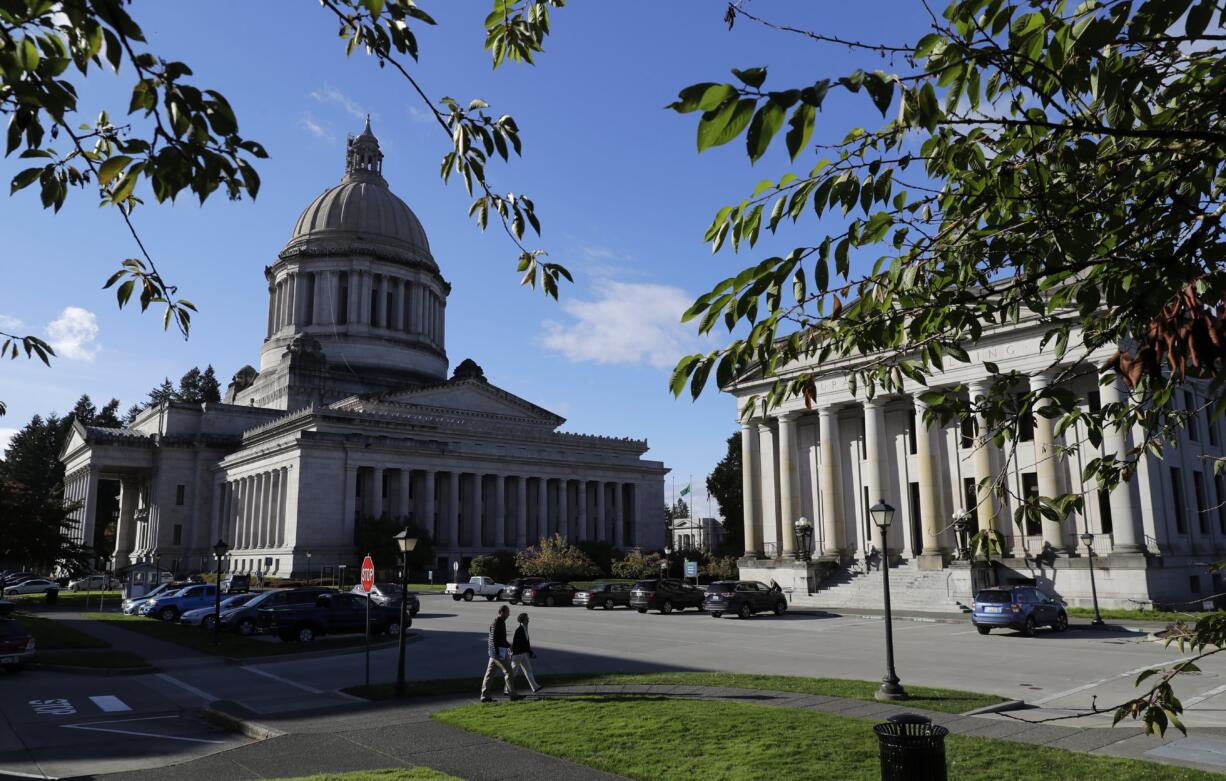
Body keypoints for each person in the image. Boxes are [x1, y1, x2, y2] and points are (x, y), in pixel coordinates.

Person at [480, 604, 519, 702]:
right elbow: (492, 639)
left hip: (494, 654)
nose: (508, 615)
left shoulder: (501, 622)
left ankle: (484, 696)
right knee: (509, 672)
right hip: (497, 654)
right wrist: (497, 654)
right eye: (507, 613)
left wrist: (509, 646)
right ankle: (513, 695)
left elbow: (501, 639)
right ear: (501, 612)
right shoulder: (497, 623)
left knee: (489, 674)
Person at [511, 612, 542, 693]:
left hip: (523, 653)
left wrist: (530, 652)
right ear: (523, 619)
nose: (528, 619)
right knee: (513, 672)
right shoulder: (519, 630)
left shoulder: (524, 628)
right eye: (527, 618)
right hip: (518, 654)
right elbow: (519, 643)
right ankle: (507, 689)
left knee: (528, 670)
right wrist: (529, 651)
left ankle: (535, 687)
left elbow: (526, 643)